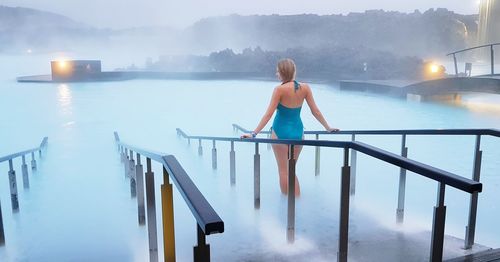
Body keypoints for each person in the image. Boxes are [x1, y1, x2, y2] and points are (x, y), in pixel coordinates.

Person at [241, 58, 338, 196]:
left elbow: (268, 114)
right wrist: (327, 127)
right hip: (298, 132)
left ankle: (287, 205)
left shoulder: (279, 90)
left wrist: (254, 133)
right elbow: (315, 111)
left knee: (283, 171)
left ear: (282, 72)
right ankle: (297, 203)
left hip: (280, 132)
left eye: (277, 71)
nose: (276, 74)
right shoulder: (305, 88)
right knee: (291, 170)